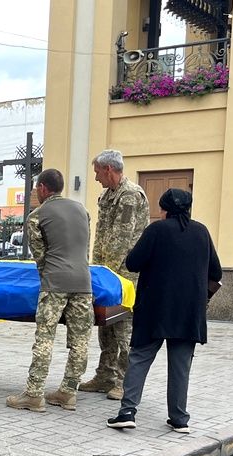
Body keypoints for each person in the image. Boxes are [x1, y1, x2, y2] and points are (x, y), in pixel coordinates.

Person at [107, 189, 221, 433]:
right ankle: (179, 418)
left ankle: (127, 412)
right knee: (181, 365)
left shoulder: (157, 230)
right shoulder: (201, 232)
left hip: (155, 307)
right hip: (189, 311)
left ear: (165, 209)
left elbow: (133, 263)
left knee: (140, 358)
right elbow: (217, 272)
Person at [6, 169, 94, 413]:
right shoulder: (82, 210)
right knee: (80, 341)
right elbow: (83, 248)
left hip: (55, 283)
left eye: (37, 189)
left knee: (45, 339)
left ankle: (34, 394)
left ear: (43, 188)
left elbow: (40, 256)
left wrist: (48, 276)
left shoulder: (37, 216)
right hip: (84, 283)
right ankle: (68, 392)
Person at [79, 149, 149, 401]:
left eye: (97, 172)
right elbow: (101, 235)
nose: (96, 177)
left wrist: (108, 275)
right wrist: (97, 270)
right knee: (105, 325)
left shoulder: (130, 195)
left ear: (108, 170)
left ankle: (125, 381)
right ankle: (105, 375)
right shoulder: (107, 195)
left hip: (123, 275)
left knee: (123, 329)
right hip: (106, 272)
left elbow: (121, 240)